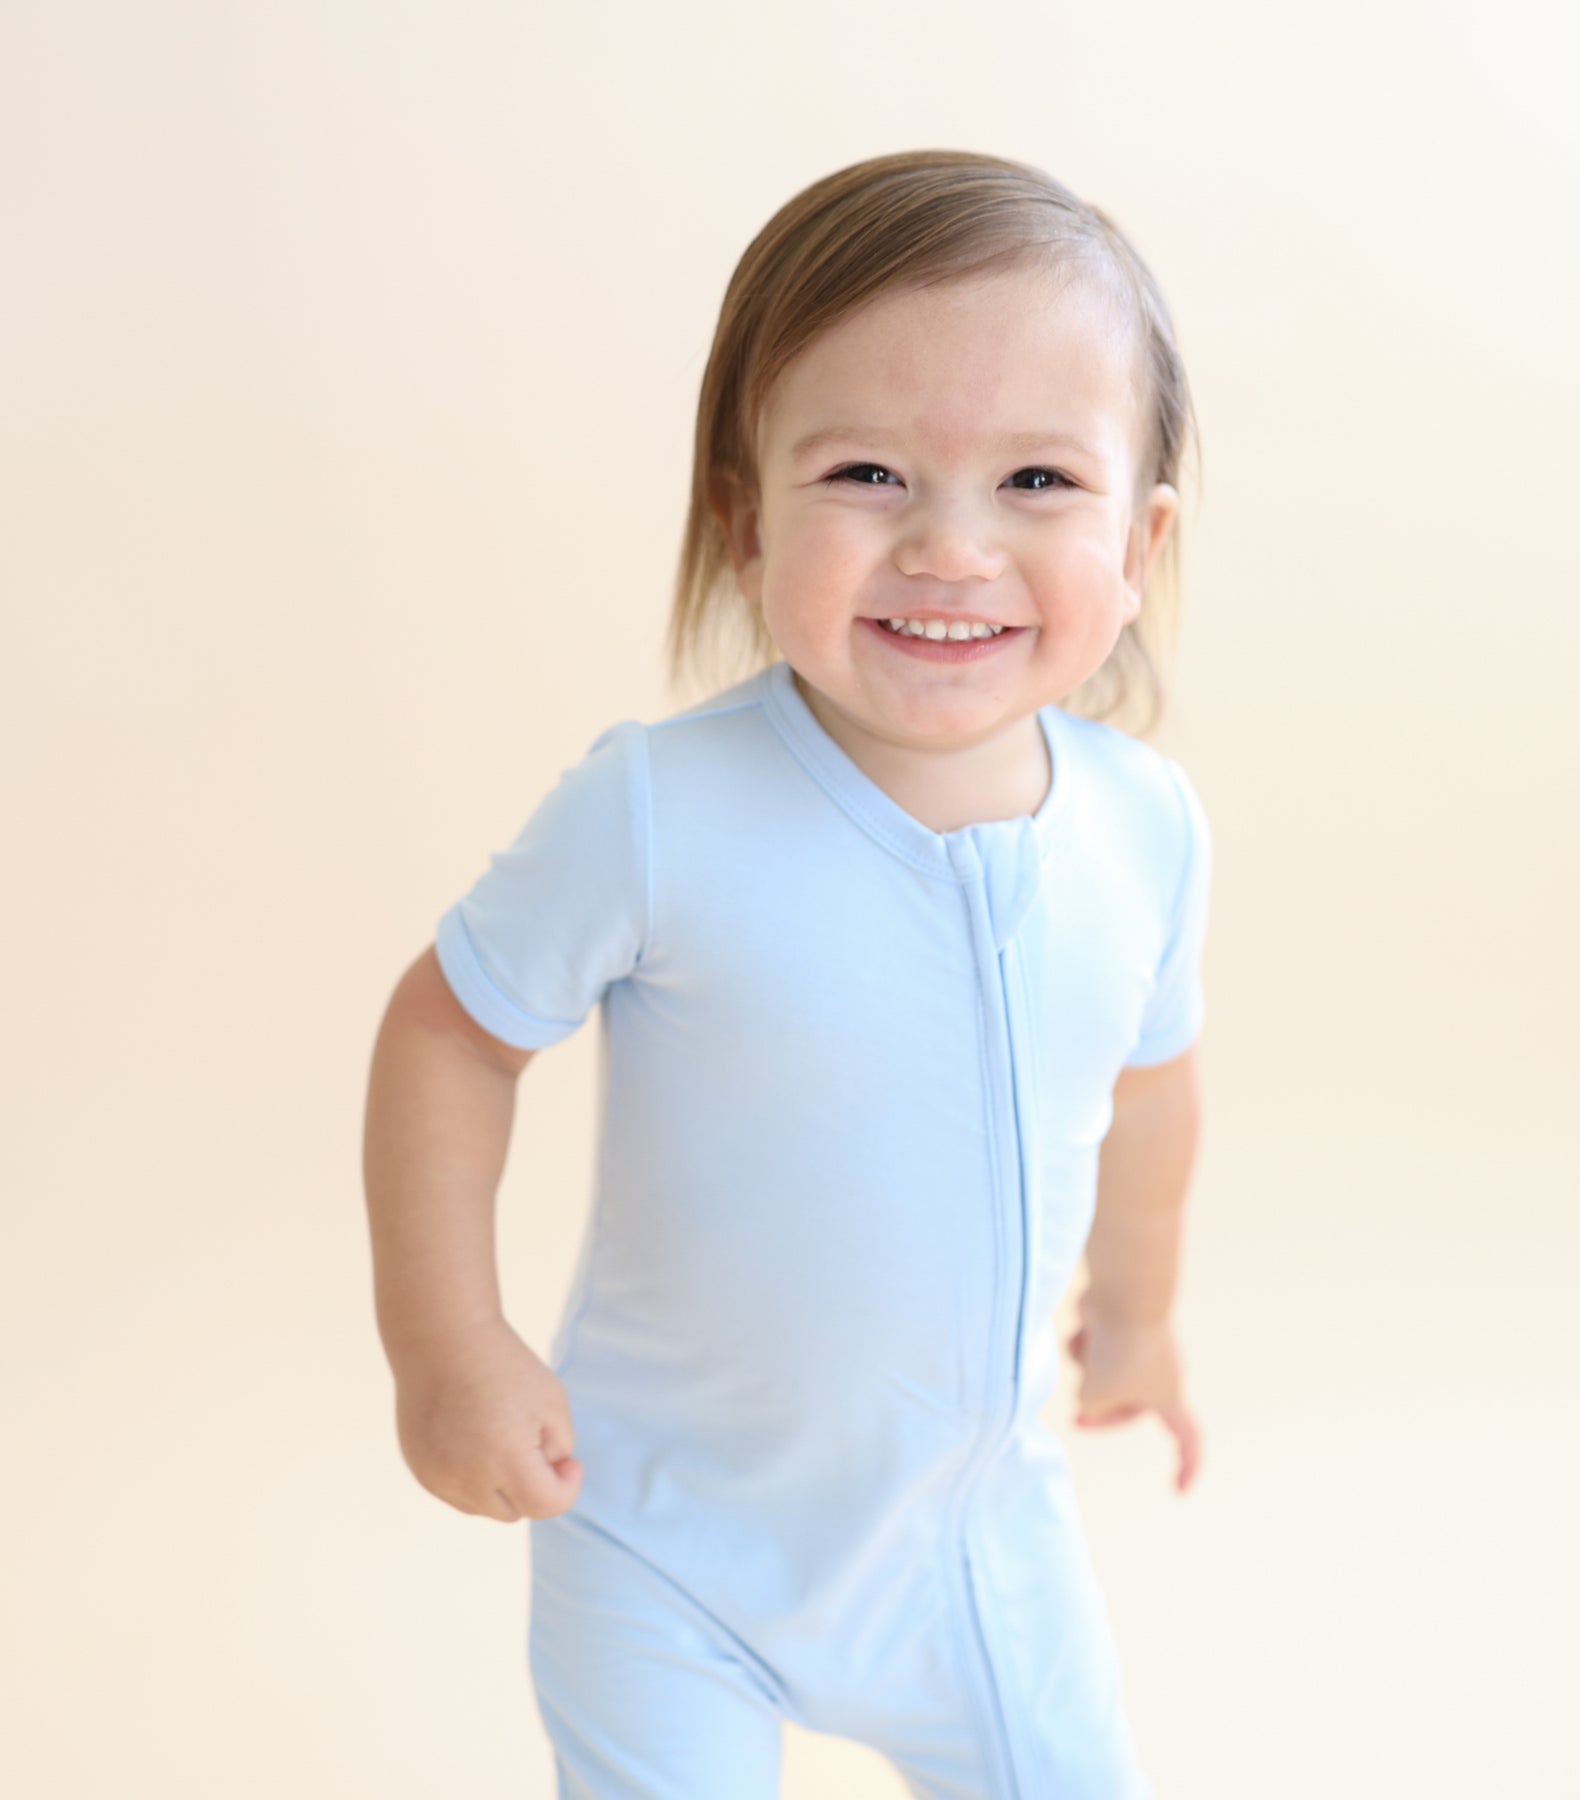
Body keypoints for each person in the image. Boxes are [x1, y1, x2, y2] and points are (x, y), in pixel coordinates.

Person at [363, 147, 1214, 1800]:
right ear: (746, 524)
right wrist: (446, 1344)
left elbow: (1152, 1085)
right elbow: (446, 1039)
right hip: (660, 1538)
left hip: (977, 1544)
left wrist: (1144, 1310)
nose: (952, 549)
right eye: (871, 476)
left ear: (1140, 540)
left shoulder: (1146, 830)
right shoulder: (662, 811)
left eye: (1039, 482)